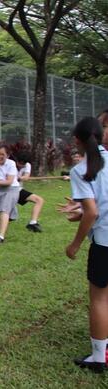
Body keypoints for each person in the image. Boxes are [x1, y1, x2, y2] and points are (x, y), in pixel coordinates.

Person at [60, 117, 108, 373]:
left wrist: (75, 244)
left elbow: (92, 212)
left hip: (105, 243)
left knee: (100, 298)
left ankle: (99, 358)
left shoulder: (81, 169)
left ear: (77, 141)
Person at [11, 151, 44, 232]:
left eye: (23, 163)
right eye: (20, 162)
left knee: (39, 200)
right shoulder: (10, 164)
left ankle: (32, 223)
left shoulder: (27, 165)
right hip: (9, 189)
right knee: (6, 210)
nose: (21, 165)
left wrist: (20, 178)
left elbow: (26, 177)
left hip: (18, 189)